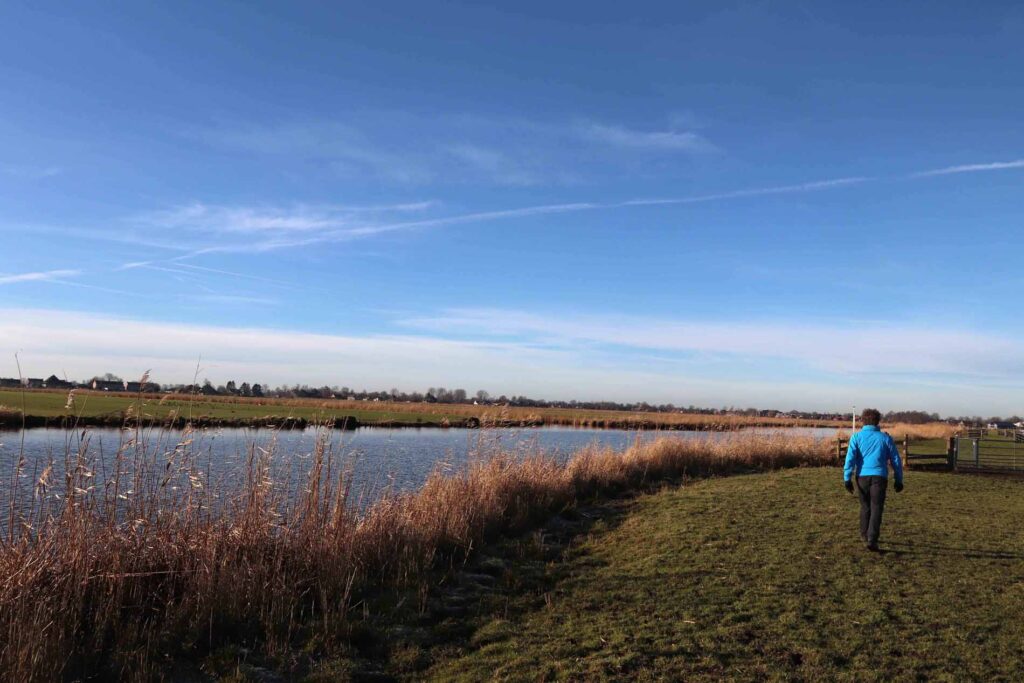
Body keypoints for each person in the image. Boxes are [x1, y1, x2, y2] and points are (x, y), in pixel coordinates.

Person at [843, 408, 904, 551]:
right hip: (879, 477)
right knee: (877, 508)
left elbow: (850, 459)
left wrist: (847, 478)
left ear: (863, 421)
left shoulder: (856, 438)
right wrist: (898, 479)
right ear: (878, 421)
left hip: (862, 477)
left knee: (865, 507)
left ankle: (864, 534)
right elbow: (896, 460)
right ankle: (872, 538)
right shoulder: (885, 438)